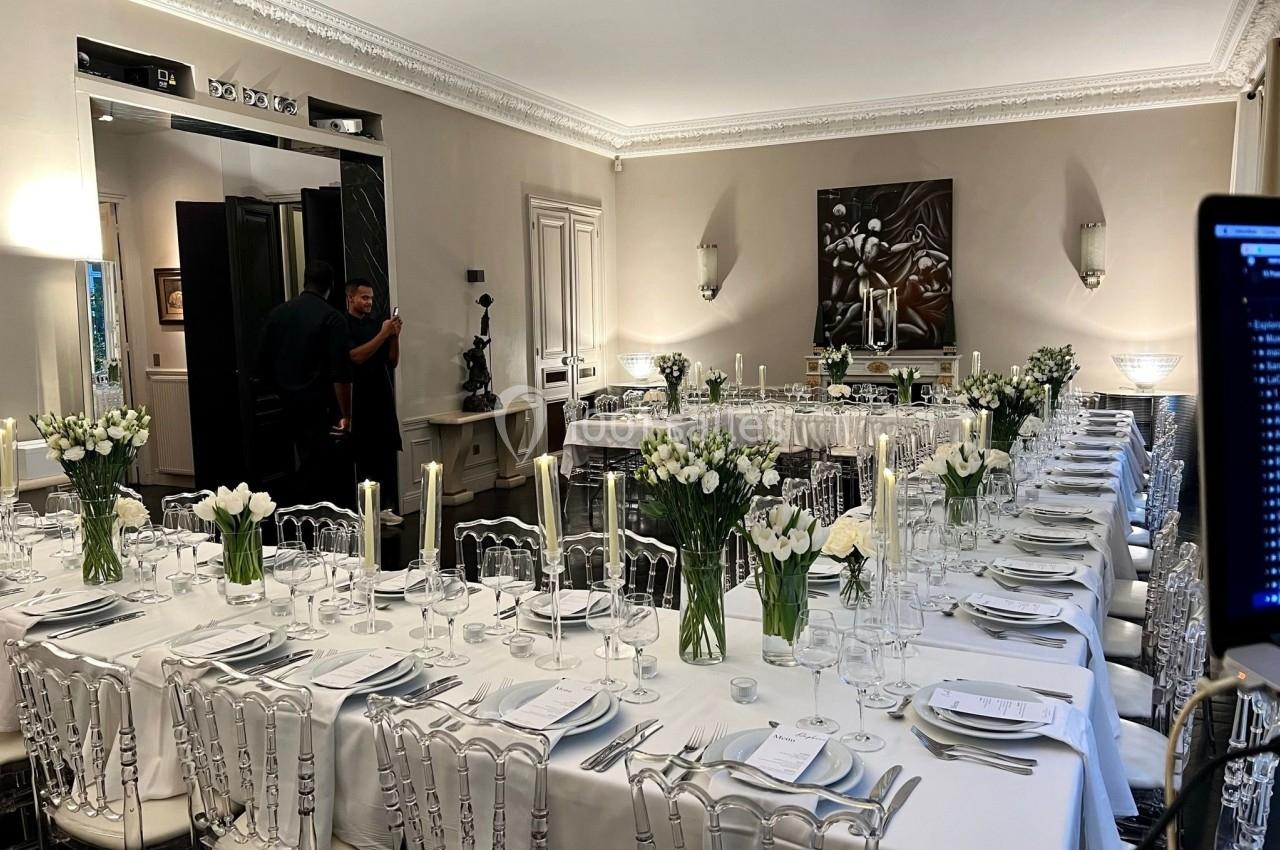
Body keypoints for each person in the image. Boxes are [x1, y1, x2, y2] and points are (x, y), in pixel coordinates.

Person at [257, 261, 353, 506]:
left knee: (287, 471)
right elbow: (340, 373)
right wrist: (346, 414)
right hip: (320, 408)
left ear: (305, 281)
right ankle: (320, 520)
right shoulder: (332, 318)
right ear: (331, 286)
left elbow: (261, 363)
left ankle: (289, 518)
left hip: (281, 406)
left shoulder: (277, 314)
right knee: (322, 476)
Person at [345, 278, 404, 525]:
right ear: (351, 298)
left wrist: (394, 337)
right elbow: (355, 357)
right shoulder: (344, 325)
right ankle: (364, 512)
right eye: (364, 297)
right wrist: (383, 334)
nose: (369, 302)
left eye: (371, 297)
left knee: (385, 453)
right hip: (359, 398)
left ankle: (384, 508)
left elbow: (392, 361)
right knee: (364, 455)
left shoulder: (375, 324)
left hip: (382, 396)